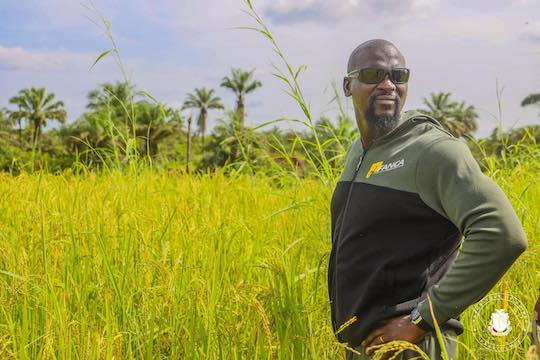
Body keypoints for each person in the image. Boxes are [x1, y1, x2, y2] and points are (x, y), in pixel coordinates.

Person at [328, 39, 528, 360]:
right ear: (347, 85)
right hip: (366, 345)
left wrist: (422, 319)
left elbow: (503, 235)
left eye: (398, 75)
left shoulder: (432, 151)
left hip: (410, 346)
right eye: (372, 74)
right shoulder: (358, 152)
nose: (388, 85)